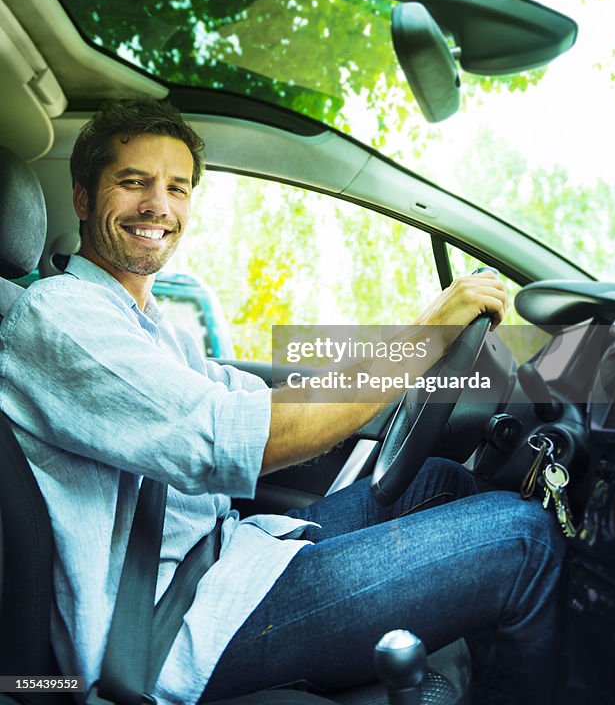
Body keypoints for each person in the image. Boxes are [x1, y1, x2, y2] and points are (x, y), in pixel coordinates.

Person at [0, 98, 565, 705]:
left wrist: (422, 332)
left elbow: (263, 400)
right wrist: (426, 340)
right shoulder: (59, 317)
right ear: (84, 198)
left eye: (177, 188)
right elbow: (232, 438)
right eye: (133, 182)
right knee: (524, 537)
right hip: (171, 630)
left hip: (228, 559)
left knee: (438, 483)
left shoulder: (152, 328)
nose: (158, 206)